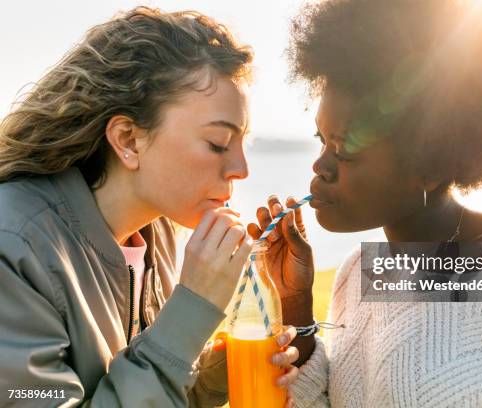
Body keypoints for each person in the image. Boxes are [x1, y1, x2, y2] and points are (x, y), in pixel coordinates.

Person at [248, 0, 482, 406]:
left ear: (430, 162)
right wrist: (295, 300)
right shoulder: (358, 275)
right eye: (322, 140)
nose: (320, 166)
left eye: (345, 149)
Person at [0, 7, 298, 407]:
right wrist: (192, 309)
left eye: (243, 143)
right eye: (217, 144)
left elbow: (140, 386)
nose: (241, 170)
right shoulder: (13, 247)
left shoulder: (159, 235)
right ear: (128, 139)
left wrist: (220, 372)